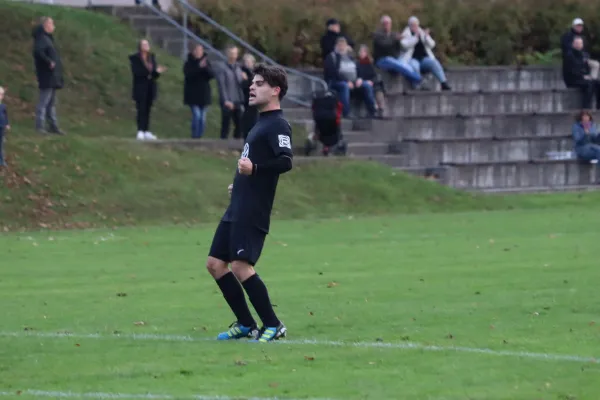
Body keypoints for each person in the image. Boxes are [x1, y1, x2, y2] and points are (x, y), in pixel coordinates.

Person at [205, 64, 293, 343]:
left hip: (253, 209)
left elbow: (285, 161)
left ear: (275, 90)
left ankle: (274, 324)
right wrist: (240, 183)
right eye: (252, 83)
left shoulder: (278, 124)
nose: (251, 87)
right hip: (238, 206)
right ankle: (245, 324)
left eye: (259, 83)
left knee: (242, 266)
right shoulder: (259, 124)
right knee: (216, 264)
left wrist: (254, 170)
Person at [324, 37, 377, 118]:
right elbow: (332, 72)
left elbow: (358, 69)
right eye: (340, 45)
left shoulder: (351, 57)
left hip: (353, 82)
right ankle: (346, 113)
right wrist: (346, 81)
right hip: (337, 82)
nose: (342, 47)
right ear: (336, 46)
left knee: (367, 85)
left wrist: (360, 78)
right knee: (344, 86)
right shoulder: (332, 57)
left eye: (343, 45)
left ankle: (372, 111)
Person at [32, 16, 65, 135]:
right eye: (52, 24)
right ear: (46, 26)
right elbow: (38, 52)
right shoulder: (42, 39)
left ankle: (53, 126)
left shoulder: (48, 39)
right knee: (44, 102)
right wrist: (49, 62)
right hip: (47, 76)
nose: (54, 26)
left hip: (52, 76)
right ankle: (40, 126)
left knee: (51, 103)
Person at [129, 39, 166, 141]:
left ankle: (146, 130)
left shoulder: (151, 58)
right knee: (141, 108)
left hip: (150, 86)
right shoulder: (135, 58)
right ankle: (140, 130)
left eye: (147, 44)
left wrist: (157, 72)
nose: (146, 46)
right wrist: (150, 73)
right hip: (140, 87)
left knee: (148, 109)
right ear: (140, 46)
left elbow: (153, 75)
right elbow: (137, 72)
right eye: (144, 44)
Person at [400, 16, 451, 90]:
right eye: (413, 25)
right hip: (411, 59)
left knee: (434, 63)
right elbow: (404, 45)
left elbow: (432, 45)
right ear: (409, 25)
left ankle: (443, 83)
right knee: (415, 66)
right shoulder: (406, 33)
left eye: (416, 25)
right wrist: (415, 38)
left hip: (423, 58)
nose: (415, 27)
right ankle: (418, 86)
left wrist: (426, 36)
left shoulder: (421, 32)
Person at [372, 15, 422, 88]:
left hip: (393, 59)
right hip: (381, 60)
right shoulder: (377, 35)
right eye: (385, 23)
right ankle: (419, 79)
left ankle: (416, 84)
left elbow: (402, 47)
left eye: (388, 23)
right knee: (396, 63)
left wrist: (411, 39)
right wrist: (395, 39)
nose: (387, 25)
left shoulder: (393, 34)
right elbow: (385, 45)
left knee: (407, 65)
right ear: (382, 25)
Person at [183, 44, 214, 139]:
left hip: (204, 95)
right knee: (197, 116)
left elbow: (211, 75)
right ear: (193, 52)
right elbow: (188, 75)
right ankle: (194, 136)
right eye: (196, 50)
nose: (198, 52)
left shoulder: (206, 63)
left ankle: (199, 136)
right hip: (192, 94)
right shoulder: (189, 63)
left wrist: (205, 68)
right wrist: (199, 67)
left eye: (200, 50)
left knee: (203, 118)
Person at [216, 45, 246, 139]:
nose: (233, 56)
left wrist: (244, 78)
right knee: (226, 124)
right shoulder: (222, 67)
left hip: (238, 99)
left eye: (235, 53)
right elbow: (222, 85)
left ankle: (237, 144)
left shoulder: (239, 67)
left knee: (239, 124)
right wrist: (226, 100)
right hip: (227, 100)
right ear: (227, 54)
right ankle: (223, 143)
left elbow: (241, 84)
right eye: (232, 53)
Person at [563, 37, 600, 109]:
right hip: (572, 79)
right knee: (589, 84)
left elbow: (586, 68)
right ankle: (586, 108)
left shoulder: (583, 54)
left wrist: (587, 75)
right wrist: (583, 76)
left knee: (597, 83)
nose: (578, 45)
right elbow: (571, 71)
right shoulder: (569, 55)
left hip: (582, 77)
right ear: (573, 44)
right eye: (577, 43)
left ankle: (598, 107)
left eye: (580, 43)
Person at [357, 44, 386, 117]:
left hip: (373, 83)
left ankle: (381, 110)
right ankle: (374, 109)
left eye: (363, 52)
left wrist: (371, 81)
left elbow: (376, 76)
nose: (361, 53)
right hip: (363, 83)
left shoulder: (370, 63)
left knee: (378, 90)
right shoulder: (357, 63)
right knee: (369, 88)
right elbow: (358, 75)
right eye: (360, 52)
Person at [241, 54, 258, 139]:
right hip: (246, 101)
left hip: (255, 102)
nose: (247, 64)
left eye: (249, 62)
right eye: (246, 62)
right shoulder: (242, 72)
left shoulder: (254, 73)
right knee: (247, 123)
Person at [0, 87, 10, 168]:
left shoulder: (3, 106)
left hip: (2, 127)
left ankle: (2, 161)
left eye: (1, 94)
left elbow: (6, 116)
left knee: (1, 143)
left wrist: (7, 124)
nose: (0, 96)